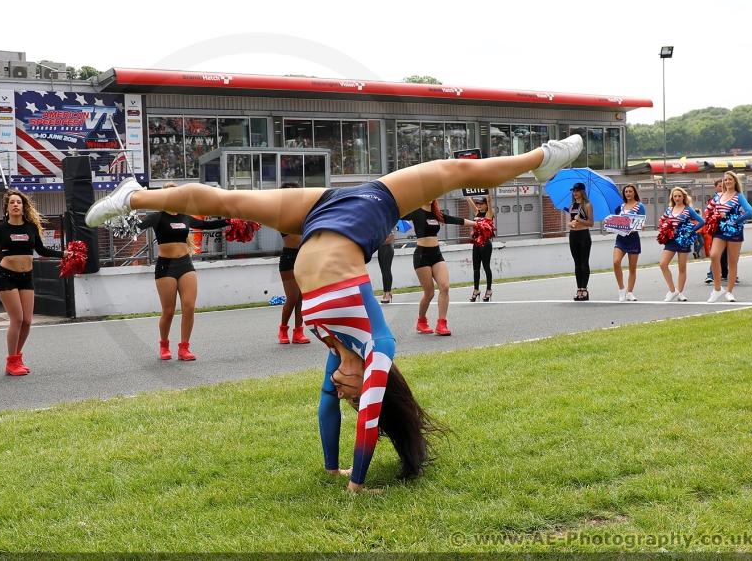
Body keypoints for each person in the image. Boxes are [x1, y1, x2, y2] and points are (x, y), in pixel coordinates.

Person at [86, 132, 583, 490]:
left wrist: (333, 469)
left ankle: (130, 195)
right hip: (371, 210)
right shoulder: (376, 345)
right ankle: (544, 156)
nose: (341, 395)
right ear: (372, 380)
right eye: (354, 393)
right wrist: (358, 482)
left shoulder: (334, 347)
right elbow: (368, 415)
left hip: (320, 209)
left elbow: (329, 406)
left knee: (224, 200)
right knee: (454, 172)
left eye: (344, 394)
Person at [0, 189, 69, 375]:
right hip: (6, 277)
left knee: (27, 321)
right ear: (7, 207)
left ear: (24, 206)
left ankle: (16, 359)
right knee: (17, 319)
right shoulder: (0, 229)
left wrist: (64, 254)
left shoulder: (31, 228)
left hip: (26, 277)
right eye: (12, 202)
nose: (15, 205)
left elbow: (42, 250)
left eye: (18, 202)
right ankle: (11, 362)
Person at [138, 182, 233, 360]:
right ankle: (164, 345)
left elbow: (206, 225)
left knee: (189, 307)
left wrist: (231, 220)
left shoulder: (185, 217)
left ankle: (184, 348)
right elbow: (138, 226)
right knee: (169, 311)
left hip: (185, 265)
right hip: (165, 266)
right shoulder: (157, 217)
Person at [403, 200, 477, 335]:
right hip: (421, 256)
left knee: (445, 286)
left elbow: (456, 220)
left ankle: (441, 324)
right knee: (429, 293)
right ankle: (421, 321)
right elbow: (396, 214)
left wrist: (477, 224)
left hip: (436, 254)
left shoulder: (436, 214)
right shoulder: (415, 211)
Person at [707, 171, 752, 303]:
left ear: (735, 182)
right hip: (720, 230)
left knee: (732, 262)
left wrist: (734, 221)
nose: (727, 182)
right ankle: (717, 289)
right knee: (714, 255)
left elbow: (750, 211)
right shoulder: (718, 196)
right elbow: (709, 210)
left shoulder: (739, 196)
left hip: (734, 231)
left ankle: (730, 292)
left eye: (730, 179)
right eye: (725, 180)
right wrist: (712, 216)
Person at [276, 181, 311, 345]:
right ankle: (283, 329)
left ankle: (298, 332)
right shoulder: (280, 213)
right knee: (292, 297)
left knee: (302, 297)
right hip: (289, 257)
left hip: (304, 256)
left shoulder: (305, 212)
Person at [658, 187, 703, 302]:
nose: (677, 198)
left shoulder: (688, 210)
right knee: (663, 264)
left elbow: (702, 221)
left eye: (679, 196)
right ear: (672, 198)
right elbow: (661, 221)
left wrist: (690, 231)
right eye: (675, 196)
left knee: (682, 268)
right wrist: (664, 229)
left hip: (683, 240)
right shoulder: (669, 210)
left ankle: (680, 292)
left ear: (683, 197)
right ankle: (673, 291)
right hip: (671, 240)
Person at [611, 184, 645, 302]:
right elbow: (616, 220)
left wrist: (641, 226)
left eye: (630, 191)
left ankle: (630, 292)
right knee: (616, 262)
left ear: (634, 193)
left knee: (632, 268)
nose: (628, 193)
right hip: (621, 238)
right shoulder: (621, 206)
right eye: (626, 192)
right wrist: (609, 222)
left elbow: (641, 223)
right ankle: (621, 289)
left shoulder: (639, 206)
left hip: (633, 238)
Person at [566, 182, 594, 301]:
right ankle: (578, 289)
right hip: (574, 235)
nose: (575, 193)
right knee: (577, 263)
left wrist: (580, 220)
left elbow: (591, 223)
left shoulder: (587, 205)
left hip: (584, 234)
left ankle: (584, 289)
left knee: (584, 262)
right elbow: (569, 221)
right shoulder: (572, 206)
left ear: (582, 192)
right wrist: (571, 223)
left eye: (577, 190)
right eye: (573, 191)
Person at [467, 195, 496, 302]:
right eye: (477, 204)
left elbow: (489, 199)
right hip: (476, 244)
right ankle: (476, 290)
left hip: (485, 243)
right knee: (476, 268)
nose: (478, 206)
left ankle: (489, 290)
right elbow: (469, 201)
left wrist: (488, 190)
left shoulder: (489, 214)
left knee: (486, 266)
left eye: (481, 204)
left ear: (486, 206)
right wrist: (464, 189)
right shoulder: (476, 213)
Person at [703, 179, 732, 285]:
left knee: (725, 253)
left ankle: (726, 273)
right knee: (716, 253)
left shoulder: (732, 197)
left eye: (723, 186)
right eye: (720, 186)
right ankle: (711, 275)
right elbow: (707, 212)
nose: (722, 188)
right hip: (716, 229)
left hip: (728, 228)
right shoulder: (713, 199)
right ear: (715, 187)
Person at [376, 232, 395, 304]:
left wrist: (379, 241)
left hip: (388, 248)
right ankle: (385, 292)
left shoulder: (390, 226)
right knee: (383, 271)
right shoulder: (380, 227)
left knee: (387, 270)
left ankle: (388, 292)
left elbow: (389, 239)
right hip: (380, 249)